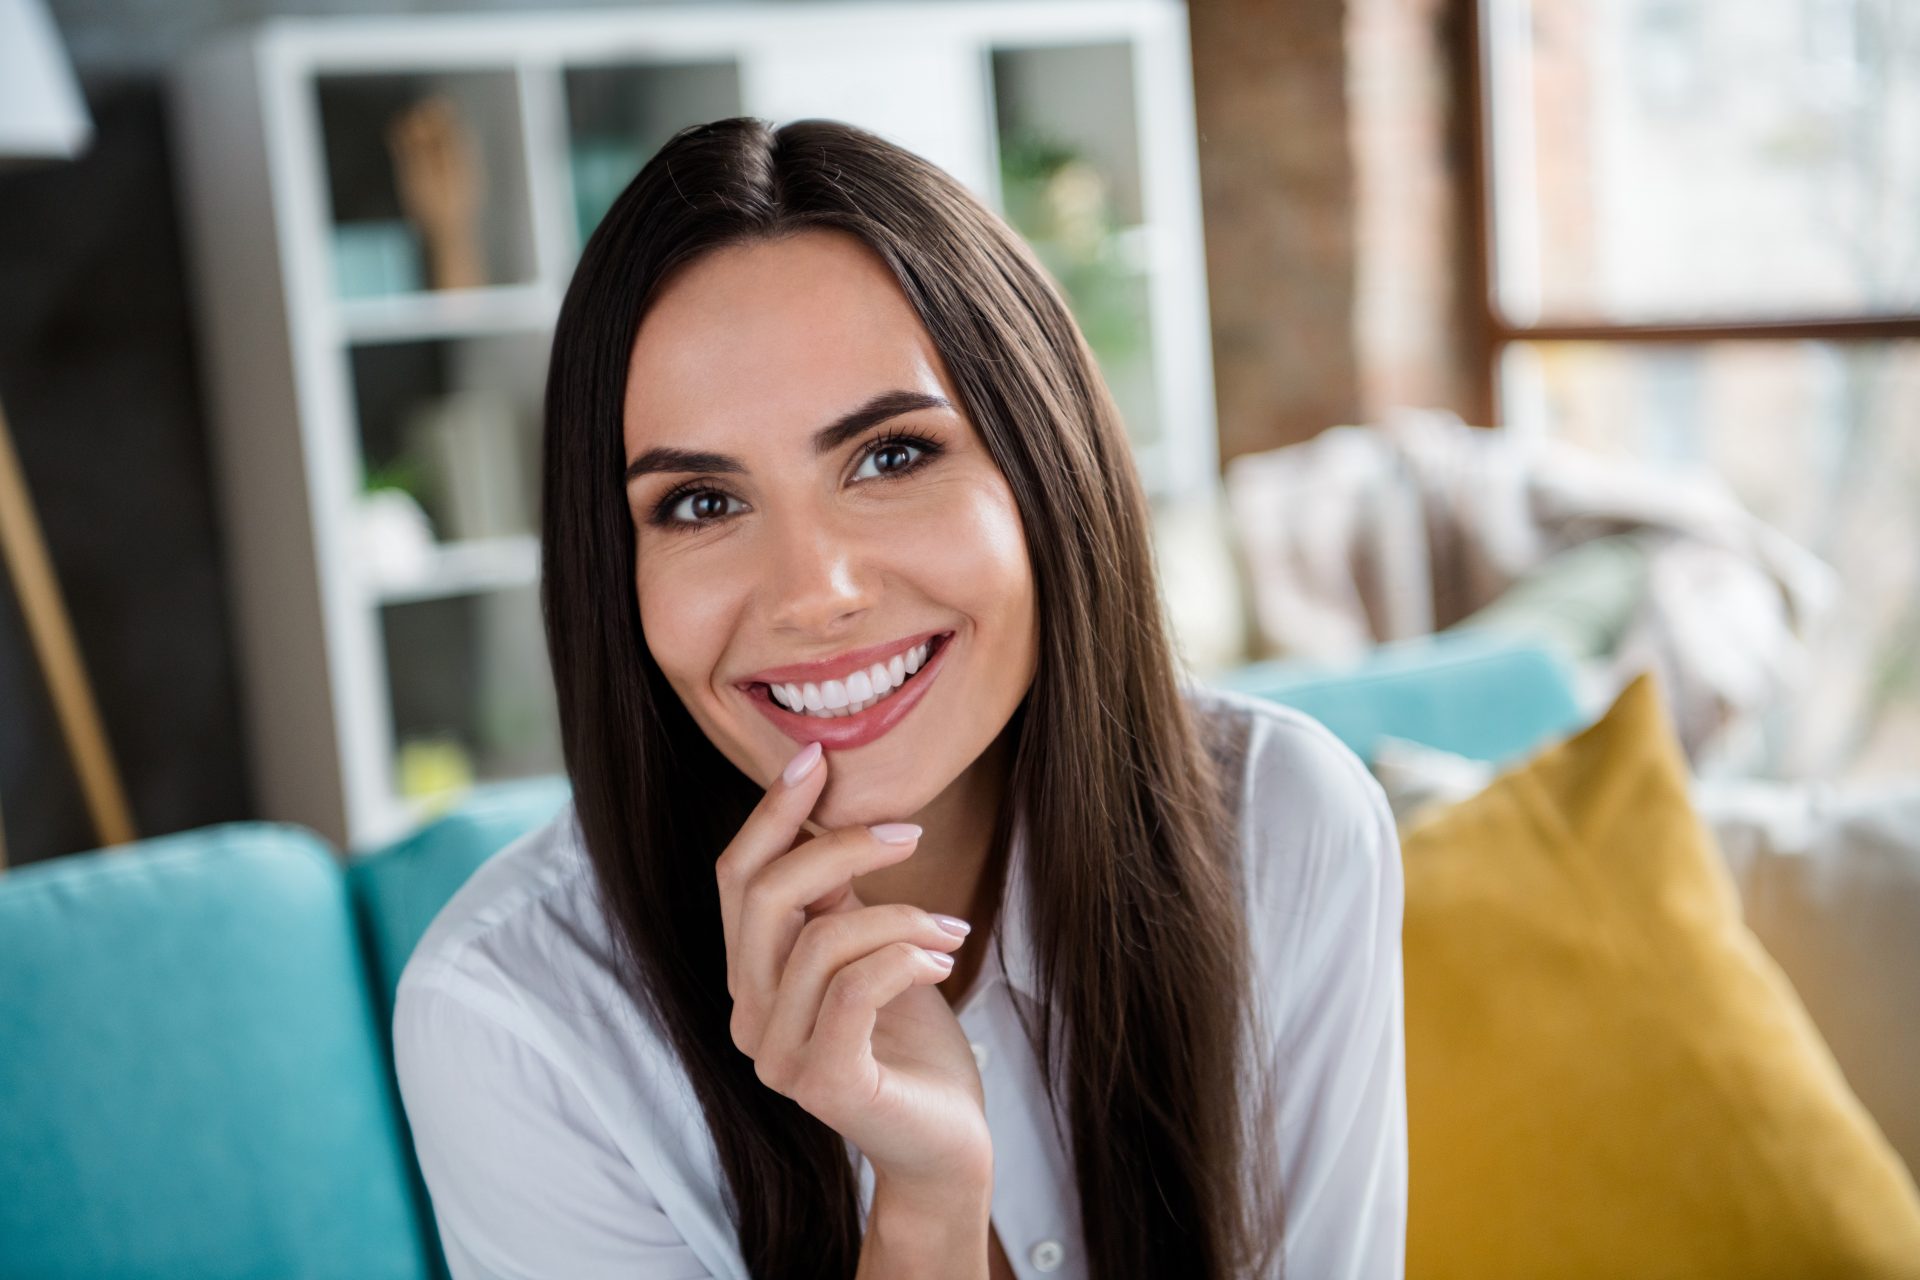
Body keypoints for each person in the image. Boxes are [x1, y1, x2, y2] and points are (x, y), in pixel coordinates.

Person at [392, 116, 1407, 1280]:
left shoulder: (1283, 825)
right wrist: (925, 1203)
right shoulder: (515, 1022)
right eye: (702, 504)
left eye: (890, 456)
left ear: (1048, 465)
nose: (814, 592)